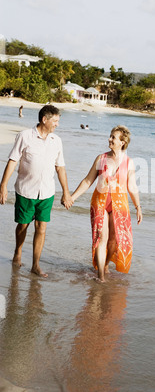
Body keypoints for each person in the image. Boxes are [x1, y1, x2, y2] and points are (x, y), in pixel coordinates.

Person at [0, 105, 73, 277]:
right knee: (23, 225)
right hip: (26, 190)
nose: (57, 124)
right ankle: (18, 251)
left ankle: (35, 265)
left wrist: (66, 192)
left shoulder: (57, 141)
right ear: (44, 120)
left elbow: (60, 167)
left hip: (47, 192)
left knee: (41, 227)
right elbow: (12, 161)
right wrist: (3, 185)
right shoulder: (25, 136)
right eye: (55, 121)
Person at [70, 125, 142, 283]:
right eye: (110, 136)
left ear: (122, 142)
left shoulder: (129, 163)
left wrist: (138, 207)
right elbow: (88, 181)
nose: (109, 139)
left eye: (113, 137)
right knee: (101, 237)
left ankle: (106, 264)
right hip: (100, 202)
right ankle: (101, 276)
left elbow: (132, 187)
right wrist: (72, 197)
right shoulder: (101, 158)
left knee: (114, 241)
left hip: (119, 204)